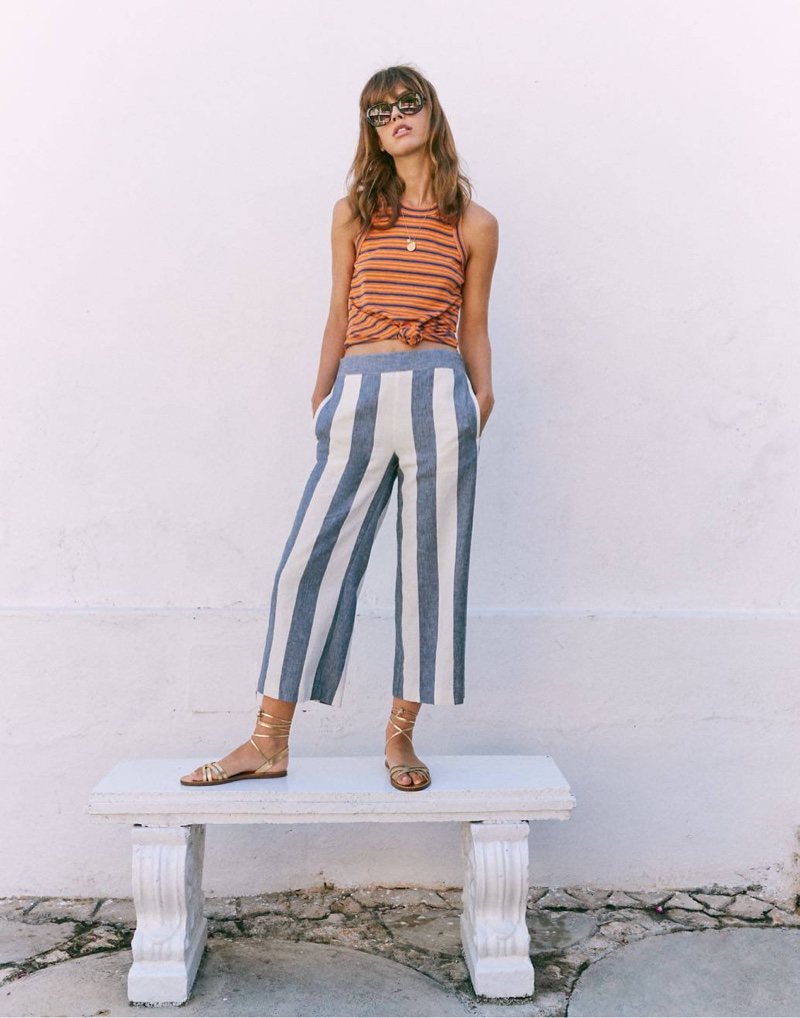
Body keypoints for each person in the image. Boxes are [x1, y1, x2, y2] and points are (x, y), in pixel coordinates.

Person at [181, 65, 497, 792]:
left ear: (431, 114)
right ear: (372, 132)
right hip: (359, 389)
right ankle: (268, 740)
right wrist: (323, 399)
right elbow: (337, 309)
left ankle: (400, 739)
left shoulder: (475, 224)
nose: (397, 117)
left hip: (440, 394)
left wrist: (481, 400)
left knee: (431, 568)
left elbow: (475, 323)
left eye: (408, 103)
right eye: (381, 111)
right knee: (307, 564)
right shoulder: (354, 212)